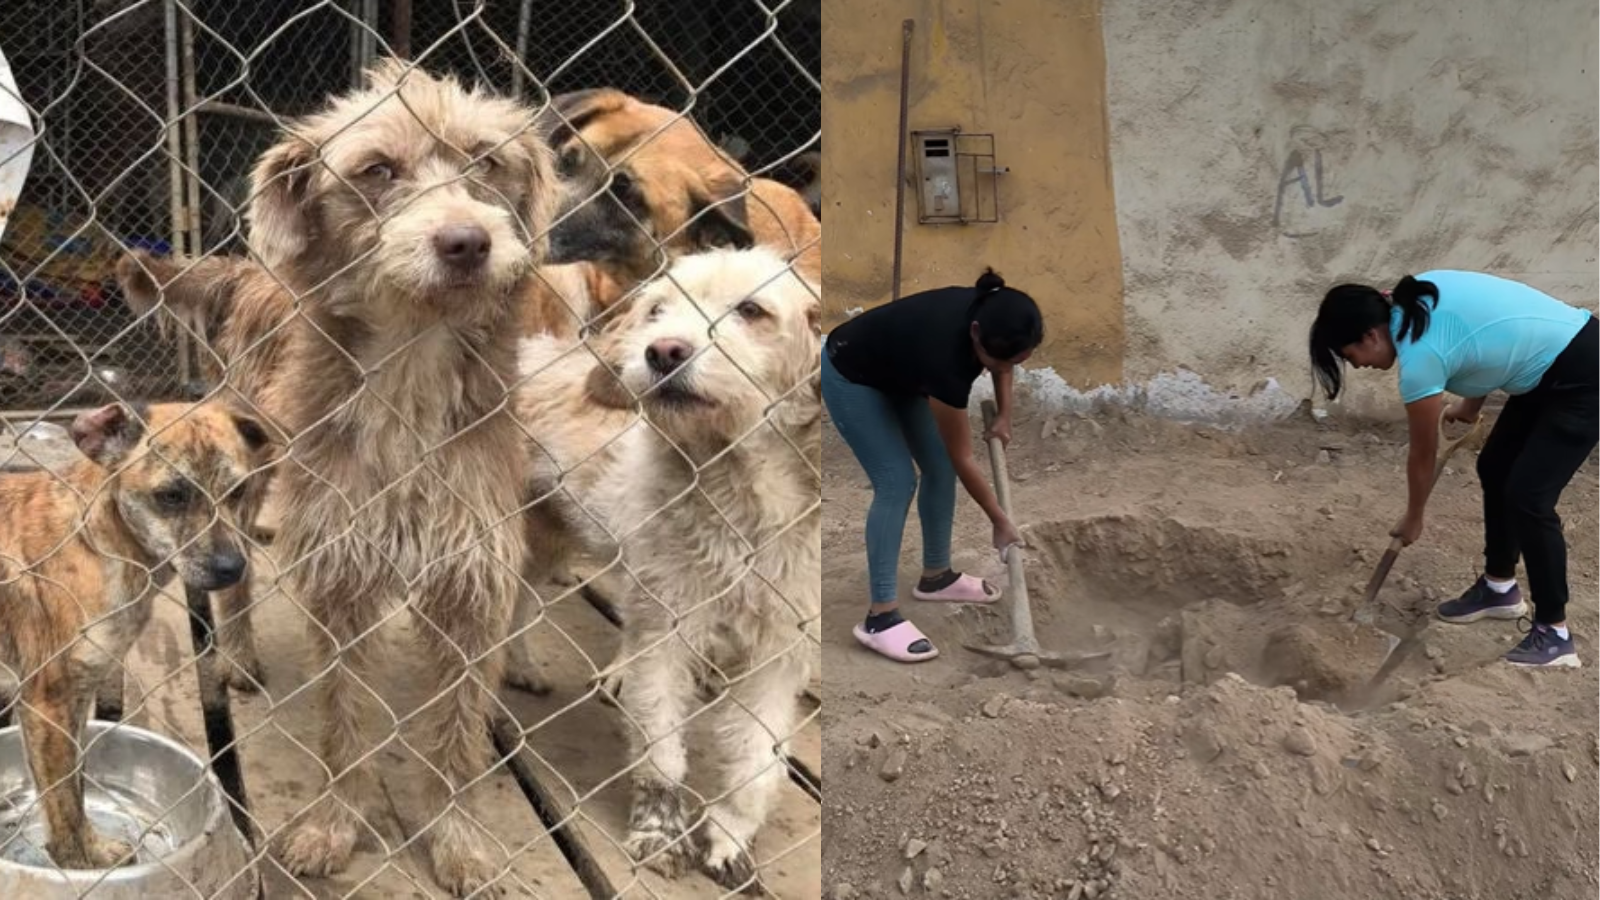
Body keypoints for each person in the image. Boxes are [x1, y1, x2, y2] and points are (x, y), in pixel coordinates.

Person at [1308, 270, 1597, 668]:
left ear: (1369, 336)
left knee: (1529, 497)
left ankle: (1555, 634)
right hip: (1548, 369)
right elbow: (1478, 339)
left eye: (1348, 356)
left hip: (1583, 374)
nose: (1355, 367)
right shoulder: (1411, 303)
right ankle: (1500, 588)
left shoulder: (1418, 358)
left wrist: (1413, 517)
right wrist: (1469, 406)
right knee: (1495, 466)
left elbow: (1423, 454)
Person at [822, 268, 1045, 662]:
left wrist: (1005, 416)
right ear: (975, 334)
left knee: (937, 466)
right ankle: (880, 618)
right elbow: (964, 457)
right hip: (851, 374)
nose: (1004, 367)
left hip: (901, 373)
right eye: (996, 358)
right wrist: (999, 519)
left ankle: (937, 577)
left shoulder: (997, 313)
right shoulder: (946, 361)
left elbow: (1003, 364)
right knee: (896, 480)